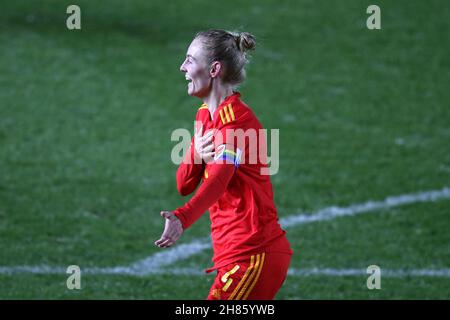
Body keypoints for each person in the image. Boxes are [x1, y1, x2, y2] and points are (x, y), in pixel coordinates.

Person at [155, 29, 293, 300]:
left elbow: (219, 179)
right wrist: (194, 151)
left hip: (252, 256)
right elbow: (184, 184)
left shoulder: (236, 121)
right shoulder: (205, 116)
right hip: (234, 255)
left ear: (214, 69)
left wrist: (183, 218)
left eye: (190, 60)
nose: (182, 67)